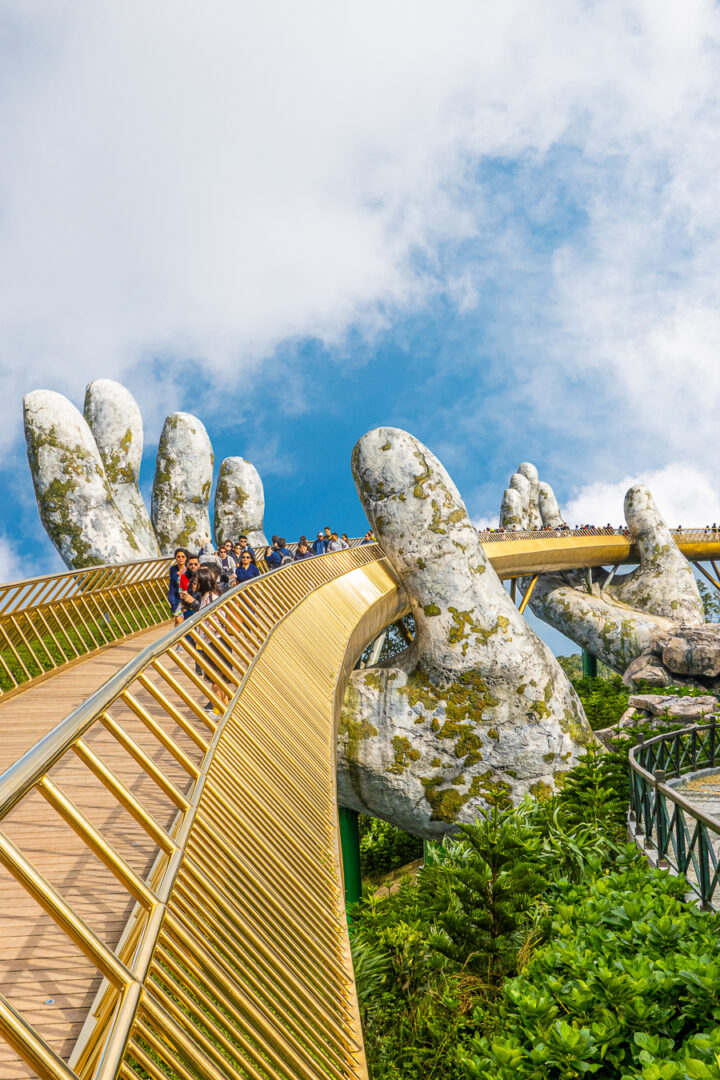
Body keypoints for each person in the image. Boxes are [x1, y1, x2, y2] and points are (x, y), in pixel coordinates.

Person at [194, 567, 228, 714]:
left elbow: (218, 620)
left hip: (215, 642)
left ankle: (220, 710)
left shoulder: (212, 598)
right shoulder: (207, 598)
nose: (193, 584)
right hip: (211, 642)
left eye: (196, 582)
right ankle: (222, 710)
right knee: (219, 681)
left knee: (216, 681)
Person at [169, 548, 189, 624]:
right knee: (178, 620)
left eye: (183, 556)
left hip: (188, 599)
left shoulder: (189, 569)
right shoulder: (173, 569)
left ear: (186, 557)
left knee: (188, 622)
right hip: (177, 600)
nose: (181, 559)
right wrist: (172, 600)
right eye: (178, 557)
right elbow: (172, 586)